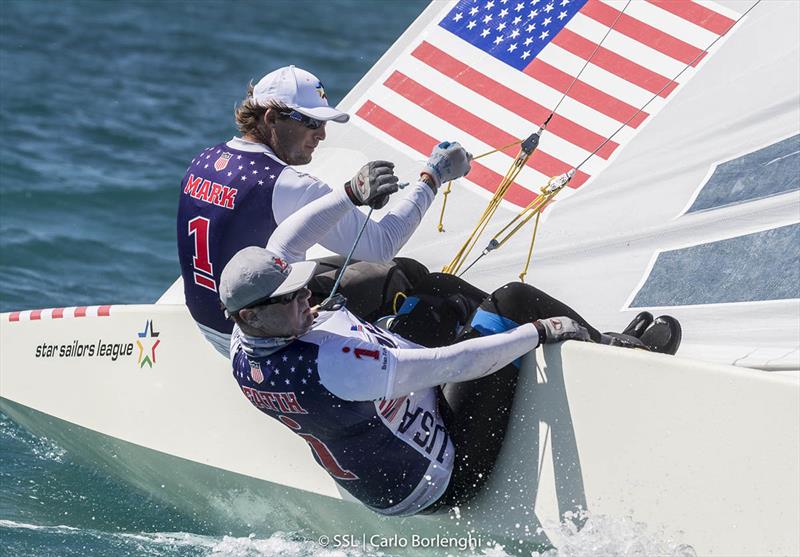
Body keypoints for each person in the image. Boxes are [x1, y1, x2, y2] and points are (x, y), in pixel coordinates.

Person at [218, 181, 682, 517]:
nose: (305, 298)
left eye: (301, 290)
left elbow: (288, 243)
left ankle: (549, 329)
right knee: (514, 302)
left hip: (390, 442)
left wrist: (351, 192)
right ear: (252, 315)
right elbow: (457, 363)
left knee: (434, 288)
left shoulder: (245, 342)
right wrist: (538, 330)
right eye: (292, 299)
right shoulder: (334, 365)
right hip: (444, 476)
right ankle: (626, 351)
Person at [177, 64, 470, 355]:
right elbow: (383, 244)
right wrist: (433, 177)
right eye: (311, 123)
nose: (322, 135)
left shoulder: (203, 160)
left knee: (363, 265)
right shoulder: (291, 185)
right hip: (261, 339)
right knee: (401, 273)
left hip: (211, 323)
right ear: (272, 118)